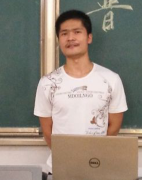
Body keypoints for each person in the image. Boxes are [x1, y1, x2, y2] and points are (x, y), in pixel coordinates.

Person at [34, 9, 128, 171]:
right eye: (64, 34)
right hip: (60, 167)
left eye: (77, 32)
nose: (70, 38)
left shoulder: (111, 79)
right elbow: (47, 130)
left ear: (89, 37)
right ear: (59, 40)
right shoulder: (47, 83)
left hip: (98, 165)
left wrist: (94, 156)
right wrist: (66, 156)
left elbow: (114, 126)